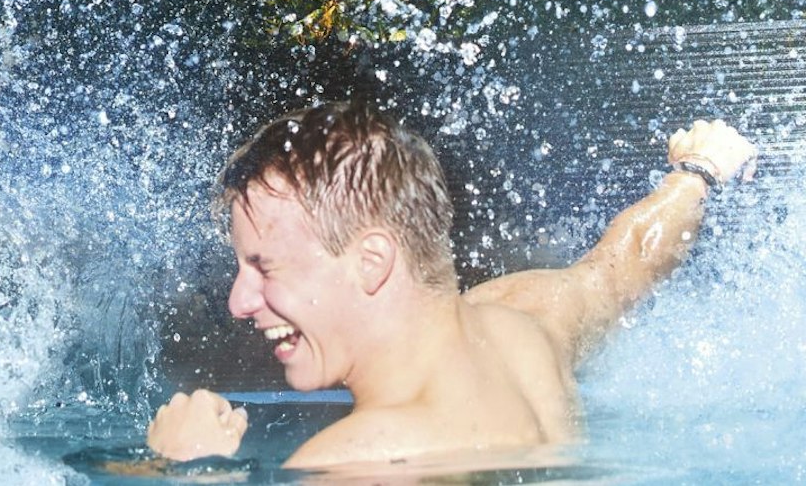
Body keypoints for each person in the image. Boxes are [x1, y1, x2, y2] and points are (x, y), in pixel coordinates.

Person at [144, 102, 756, 474]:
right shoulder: (521, 328)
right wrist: (697, 174)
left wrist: (188, 472)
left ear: (371, 262)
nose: (238, 301)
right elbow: (621, 267)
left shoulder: (362, 460)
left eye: (265, 268)